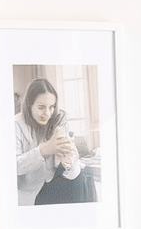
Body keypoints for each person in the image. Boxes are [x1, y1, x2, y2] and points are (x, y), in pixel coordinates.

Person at [15, 77, 91, 205]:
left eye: (52, 107)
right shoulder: (16, 124)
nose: (48, 113)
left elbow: (73, 168)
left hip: (57, 187)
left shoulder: (59, 119)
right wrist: (44, 151)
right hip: (29, 195)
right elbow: (13, 167)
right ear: (29, 104)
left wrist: (69, 162)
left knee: (81, 179)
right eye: (41, 107)